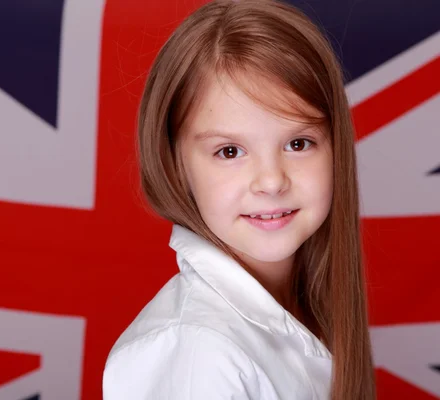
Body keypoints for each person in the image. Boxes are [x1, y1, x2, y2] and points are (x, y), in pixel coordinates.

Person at [102, 0, 376, 398]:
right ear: (176, 164)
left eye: (298, 143)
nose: (270, 181)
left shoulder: (308, 308)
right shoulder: (196, 352)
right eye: (229, 151)